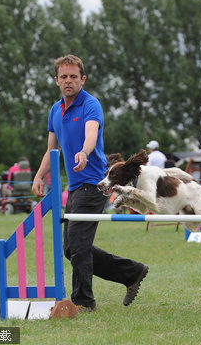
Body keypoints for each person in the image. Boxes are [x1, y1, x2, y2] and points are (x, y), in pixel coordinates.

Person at [31, 54, 148, 313]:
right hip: (74, 186)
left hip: (94, 184)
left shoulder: (90, 105)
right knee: (71, 249)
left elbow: (91, 134)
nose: (69, 80)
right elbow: (52, 150)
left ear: (82, 79)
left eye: (74, 76)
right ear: (56, 81)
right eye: (64, 76)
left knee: (79, 246)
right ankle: (132, 272)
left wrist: (84, 152)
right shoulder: (54, 110)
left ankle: (83, 301)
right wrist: (39, 176)